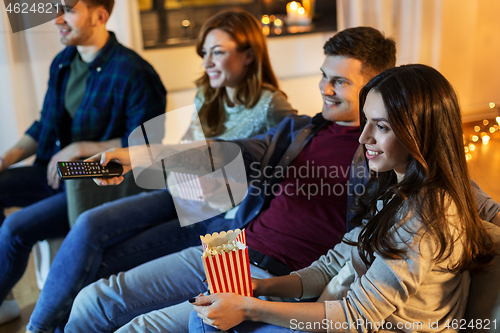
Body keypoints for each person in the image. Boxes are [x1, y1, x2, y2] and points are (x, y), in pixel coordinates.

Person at [65, 28, 500, 333]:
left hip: (288, 276)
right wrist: (136, 156)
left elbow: (468, 203)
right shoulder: (299, 130)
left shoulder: (392, 160)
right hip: (233, 249)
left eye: (340, 81)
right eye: (323, 77)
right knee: (96, 297)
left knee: (145, 321)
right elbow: (225, 152)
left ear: (376, 85)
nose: (325, 89)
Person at [25, 9, 295, 333]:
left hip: (221, 217)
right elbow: (182, 154)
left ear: (249, 55)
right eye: (204, 53)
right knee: (88, 224)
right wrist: (131, 165)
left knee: (107, 259)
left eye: (218, 52)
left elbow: (291, 159)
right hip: (182, 194)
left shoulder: (274, 105)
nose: (207, 62)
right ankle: (37, 328)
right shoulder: (207, 95)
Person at [188, 64, 497, 332]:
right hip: (341, 315)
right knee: (204, 315)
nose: (364, 138)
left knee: (203, 321)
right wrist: (260, 288)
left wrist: (248, 307)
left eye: (382, 126)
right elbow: (329, 266)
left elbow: (357, 318)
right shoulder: (393, 190)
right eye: (366, 121)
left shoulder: (425, 212)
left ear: (420, 133)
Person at [0, 0, 166, 326]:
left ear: (100, 16)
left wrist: (82, 146)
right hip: (53, 172)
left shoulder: (135, 72)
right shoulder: (63, 63)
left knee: (15, 229)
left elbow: (146, 145)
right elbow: (43, 126)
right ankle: (5, 299)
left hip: (94, 186)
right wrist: (4, 159)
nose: (58, 19)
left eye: (69, 10)